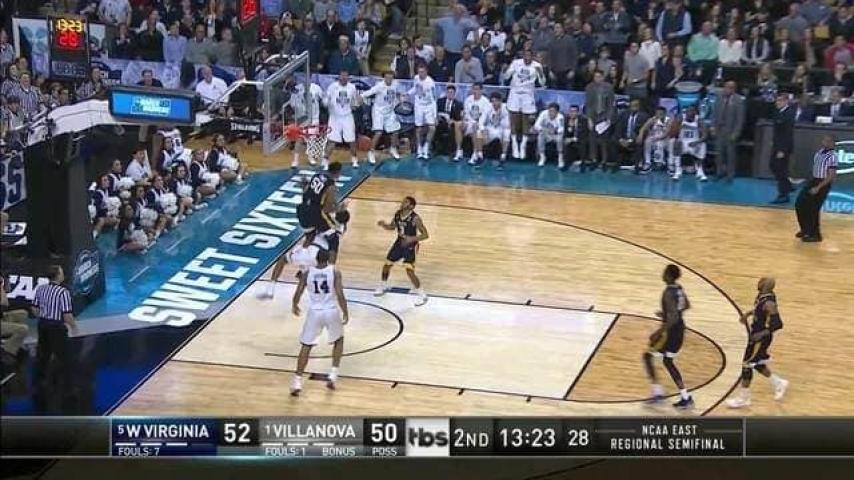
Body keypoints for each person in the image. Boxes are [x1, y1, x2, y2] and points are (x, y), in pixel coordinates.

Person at [290, 249, 349, 396]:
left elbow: (298, 292)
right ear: (328, 258)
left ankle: (297, 381)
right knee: (339, 340)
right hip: (331, 310)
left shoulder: (307, 273)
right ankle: (333, 374)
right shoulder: (334, 271)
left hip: (315, 312)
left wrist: (294, 304)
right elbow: (340, 294)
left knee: (306, 345)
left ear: (316, 259)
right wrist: (345, 311)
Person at [726, 277, 789, 409]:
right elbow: (759, 310)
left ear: (765, 285)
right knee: (757, 363)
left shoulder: (769, 303)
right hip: (756, 335)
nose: (758, 283)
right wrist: (748, 314)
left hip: (760, 338)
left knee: (747, 365)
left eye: (761, 282)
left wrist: (762, 334)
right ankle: (778, 383)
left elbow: (778, 324)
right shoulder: (762, 296)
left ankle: (744, 398)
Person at [643, 264, 694, 410]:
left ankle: (658, 393)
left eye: (665, 272)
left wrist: (658, 332)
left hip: (670, 332)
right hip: (679, 329)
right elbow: (686, 305)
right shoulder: (679, 288)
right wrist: (667, 313)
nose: (663, 274)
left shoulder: (668, 293)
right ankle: (685, 397)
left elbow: (673, 318)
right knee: (667, 361)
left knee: (648, 356)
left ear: (670, 276)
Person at [31, 265, 78, 398]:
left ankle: (39, 382)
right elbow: (67, 315)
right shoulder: (63, 292)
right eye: (61, 272)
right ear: (58, 276)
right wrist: (74, 327)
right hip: (56, 328)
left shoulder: (40, 288)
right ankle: (69, 388)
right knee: (65, 357)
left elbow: (34, 308)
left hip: (42, 325)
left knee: (43, 354)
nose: (63, 274)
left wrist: (44, 316)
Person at [374, 196, 429, 306]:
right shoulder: (398, 214)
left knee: (409, 271)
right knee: (387, 265)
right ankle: (383, 286)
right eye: (403, 201)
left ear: (411, 206)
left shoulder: (415, 218)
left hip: (411, 245)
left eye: (406, 202)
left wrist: (411, 239)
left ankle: (422, 296)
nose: (402, 202)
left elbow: (425, 235)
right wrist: (384, 225)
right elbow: (392, 227)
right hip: (399, 243)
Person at [259, 230, 329, 299]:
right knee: (305, 273)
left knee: (283, 259)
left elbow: (309, 238)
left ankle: (271, 288)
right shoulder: (329, 235)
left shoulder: (315, 230)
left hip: (308, 254)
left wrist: (301, 249)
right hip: (317, 258)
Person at [297, 161, 343, 263]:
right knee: (334, 239)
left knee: (310, 236)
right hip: (315, 213)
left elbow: (305, 189)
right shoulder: (331, 186)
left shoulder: (317, 176)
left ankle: (301, 258)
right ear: (338, 172)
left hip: (302, 209)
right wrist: (339, 208)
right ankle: (330, 268)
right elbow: (327, 209)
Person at [795, 135, 838, 243]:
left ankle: (815, 235)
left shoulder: (832, 157)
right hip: (813, 180)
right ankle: (805, 229)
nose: (825, 142)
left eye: (828, 141)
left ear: (833, 143)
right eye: (824, 140)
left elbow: (831, 176)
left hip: (823, 183)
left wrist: (818, 187)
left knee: (813, 209)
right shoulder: (819, 152)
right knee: (800, 204)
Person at [504, 49, 545, 161]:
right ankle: (514, 145)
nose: (527, 58)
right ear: (522, 56)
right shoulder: (516, 63)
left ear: (532, 57)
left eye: (529, 56)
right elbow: (506, 77)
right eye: (525, 56)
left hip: (528, 94)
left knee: (525, 119)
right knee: (514, 118)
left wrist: (540, 73)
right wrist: (507, 70)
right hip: (515, 93)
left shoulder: (537, 66)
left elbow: (542, 83)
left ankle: (523, 145)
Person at [362, 71, 402, 164]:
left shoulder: (396, 84)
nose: (389, 79)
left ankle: (393, 148)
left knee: (395, 131)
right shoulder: (379, 86)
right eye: (387, 78)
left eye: (391, 78)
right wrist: (361, 96)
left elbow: (398, 93)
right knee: (378, 132)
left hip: (389, 111)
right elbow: (368, 92)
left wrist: (401, 97)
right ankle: (371, 152)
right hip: (378, 112)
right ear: (384, 78)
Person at [323, 70, 361, 168]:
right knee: (332, 140)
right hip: (335, 117)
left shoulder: (352, 87)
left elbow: (355, 101)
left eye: (346, 76)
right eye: (342, 76)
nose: (344, 78)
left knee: (351, 139)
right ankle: (325, 160)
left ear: (348, 77)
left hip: (347, 116)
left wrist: (357, 104)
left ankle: (354, 159)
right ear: (339, 77)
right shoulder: (332, 86)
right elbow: (325, 99)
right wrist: (326, 103)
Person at [287, 78, 325, 168]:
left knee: (312, 139)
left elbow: (323, 100)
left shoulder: (316, 88)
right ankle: (295, 160)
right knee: (299, 139)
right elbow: (293, 106)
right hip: (303, 118)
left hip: (314, 117)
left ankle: (311, 158)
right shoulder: (296, 90)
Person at [712, 80, 745, 182]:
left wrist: (736, 133)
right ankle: (719, 172)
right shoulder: (719, 98)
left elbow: (740, 119)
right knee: (719, 153)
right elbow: (714, 114)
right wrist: (713, 127)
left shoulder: (739, 100)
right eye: (725, 87)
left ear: (734, 89)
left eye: (730, 88)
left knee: (730, 154)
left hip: (731, 130)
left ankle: (730, 174)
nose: (726, 90)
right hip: (719, 130)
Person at [470, 92, 511, 170]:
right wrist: (483, 130)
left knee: (507, 132)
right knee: (478, 131)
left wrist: (499, 115)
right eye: (492, 101)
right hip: (490, 129)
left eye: (496, 101)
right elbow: (481, 121)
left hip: (501, 129)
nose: (494, 103)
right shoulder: (488, 107)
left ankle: (503, 158)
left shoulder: (505, 108)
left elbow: (507, 124)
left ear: (500, 101)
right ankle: (480, 156)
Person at [584, 70, 616, 171]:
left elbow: (611, 104)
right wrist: (589, 119)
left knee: (604, 140)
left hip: (604, 116)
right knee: (592, 139)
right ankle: (593, 160)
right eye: (595, 77)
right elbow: (588, 104)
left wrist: (609, 118)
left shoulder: (609, 87)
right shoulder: (589, 87)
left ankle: (604, 161)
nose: (597, 79)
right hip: (593, 116)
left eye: (599, 77)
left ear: (602, 77)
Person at [769, 92, 796, 203]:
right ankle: (788, 186)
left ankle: (783, 195)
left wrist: (782, 150)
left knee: (780, 169)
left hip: (783, 147)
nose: (777, 103)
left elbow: (787, 134)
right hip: (777, 145)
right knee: (773, 166)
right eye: (777, 100)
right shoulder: (778, 112)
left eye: (780, 100)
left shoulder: (789, 114)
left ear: (786, 101)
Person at [669, 105, 708, 181]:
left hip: (694, 142)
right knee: (676, 142)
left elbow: (705, 135)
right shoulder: (681, 118)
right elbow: (673, 133)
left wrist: (697, 142)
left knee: (703, 145)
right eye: (688, 111)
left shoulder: (699, 120)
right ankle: (677, 170)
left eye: (692, 111)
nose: (690, 113)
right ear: (686, 112)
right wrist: (678, 127)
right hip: (683, 142)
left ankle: (700, 171)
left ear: (695, 112)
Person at [407, 65, 438, 160]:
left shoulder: (430, 83)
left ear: (426, 72)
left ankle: (426, 146)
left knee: (432, 128)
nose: (420, 74)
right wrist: (407, 93)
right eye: (419, 72)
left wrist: (435, 115)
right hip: (419, 106)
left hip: (429, 106)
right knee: (419, 128)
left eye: (422, 72)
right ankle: (419, 148)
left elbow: (434, 100)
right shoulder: (416, 78)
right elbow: (415, 88)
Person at [1, 275, 30, 365]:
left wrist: (5, 282)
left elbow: (8, 290)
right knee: (23, 329)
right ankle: (7, 352)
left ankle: (15, 341)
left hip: (2, 317)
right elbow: (4, 303)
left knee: (23, 313)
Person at [613, 99, 648, 173]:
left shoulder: (644, 116)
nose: (634, 107)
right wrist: (620, 139)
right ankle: (616, 163)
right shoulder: (624, 115)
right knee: (614, 139)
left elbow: (644, 131)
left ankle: (637, 165)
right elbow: (618, 128)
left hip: (635, 139)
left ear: (639, 107)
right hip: (624, 138)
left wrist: (630, 141)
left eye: (636, 105)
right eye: (632, 106)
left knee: (640, 142)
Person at [462, 83, 492, 165]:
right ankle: (460, 151)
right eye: (474, 89)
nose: (475, 91)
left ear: (481, 90)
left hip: (482, 124)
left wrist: (477, 123)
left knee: (477, 130)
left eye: (477, 89)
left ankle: (475, 153)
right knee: (460, 125)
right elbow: (466, 113)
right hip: (470, 122)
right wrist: (470, 122)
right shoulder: (468, 99)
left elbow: (484, 116)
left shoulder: (485, 101)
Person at [638, 106, 672, 174]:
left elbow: (666, 133)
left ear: (665, 114)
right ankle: (647, 163)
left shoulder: (669, 120)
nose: (659, 115)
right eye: (657, 114)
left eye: (661, 114)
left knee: (660, 143)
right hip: (654, 139)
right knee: (647, 141)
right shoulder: (652, 119)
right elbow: (643, 128)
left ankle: (669, 164)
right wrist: (640, 135)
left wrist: (657, 138)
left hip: (665, 140)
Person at [533, 103, 565, 168]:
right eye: (550, 111)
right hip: (546, 133)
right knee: (540, 136)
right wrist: (545, 130)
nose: (551, 113)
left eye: (553, 111)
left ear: (557, 112)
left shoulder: (560, 117)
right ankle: (542, 157)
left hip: (556, 135)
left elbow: (562, 129)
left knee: (560, 138)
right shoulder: (543, 114)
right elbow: (536, 125)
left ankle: (560, 159)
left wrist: (555, 131)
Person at [436, 85, 464, 161]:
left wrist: (452, 121)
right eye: (448, 92)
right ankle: (436, 149)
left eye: (452, 92)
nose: (450, 94)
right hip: (440, 121)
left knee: (454, 127)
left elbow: (458, 118)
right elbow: (436, 112)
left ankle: (452, 150)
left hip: (452, 123)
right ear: (446, 93)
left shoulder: (458, 104)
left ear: (454, 94)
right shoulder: (440, 101)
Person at [564, 105, 590, 171]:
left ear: (578, 112)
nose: (572, 113)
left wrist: (573, 139)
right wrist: (570, 128)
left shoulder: (583, 120)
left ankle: (583, 163)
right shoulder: (566, 119)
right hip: (571, 139)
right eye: (571, 111)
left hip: (580, 139)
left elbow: (584, 133)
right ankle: (566, 163)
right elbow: (565, 132)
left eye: (574, 111)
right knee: (566, 143)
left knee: (582, 143)